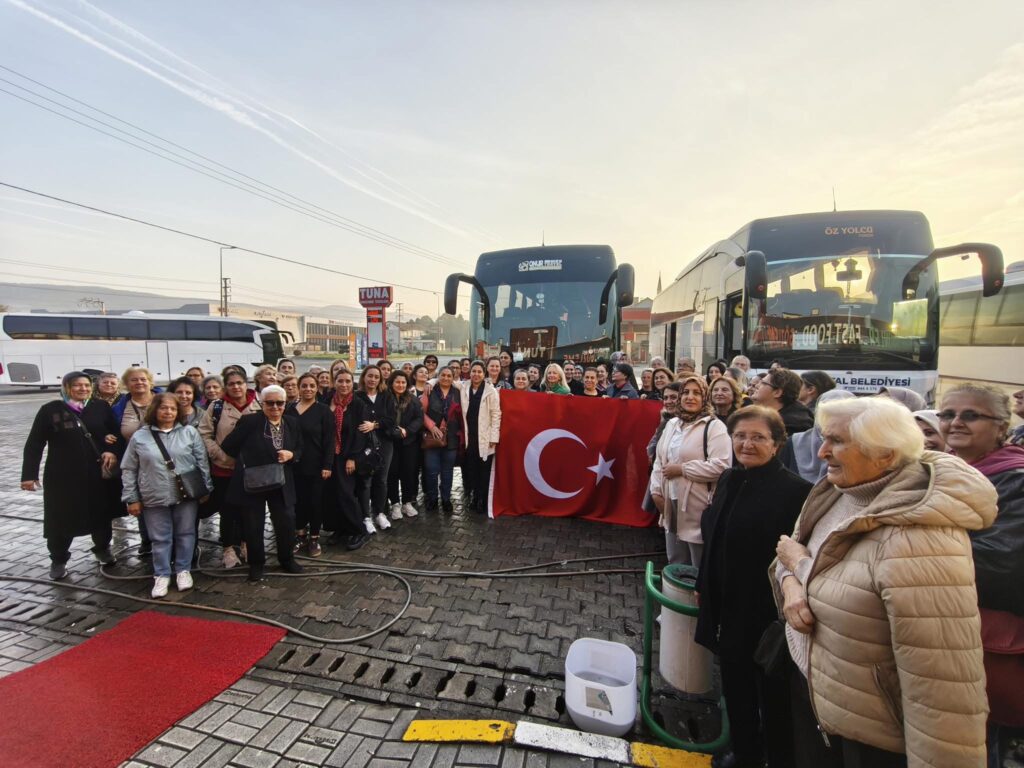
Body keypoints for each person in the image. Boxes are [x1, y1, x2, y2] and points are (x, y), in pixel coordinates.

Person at [774, 396, 994, 767]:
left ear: (886, 455)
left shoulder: (921, 539)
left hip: (871, 739)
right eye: (824, 438)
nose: (822, 451)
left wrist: (798, 565)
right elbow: (789, 553)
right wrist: (791, 582)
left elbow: (942, 692)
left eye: (838, 441)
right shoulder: (839, 491)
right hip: (822, 704)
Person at [696, 407, 812, 768]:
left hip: (766, 615)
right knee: (735, 686)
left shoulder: (798, 493)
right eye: (740, 436)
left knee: (774, 698)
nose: (747, 444)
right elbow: (714, 538)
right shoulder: (730, 478)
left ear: (777, 444)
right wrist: (703, 583)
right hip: (724, 607)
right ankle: (745, 754)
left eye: (758, 437)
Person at [937, 384, 1024, 756]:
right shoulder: (941, 470)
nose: (955, 422)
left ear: (1002, 427)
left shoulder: (1014, 478)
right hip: (950, 633)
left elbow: (1001, 561)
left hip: (990, 639)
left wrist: (918, 547)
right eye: (947, 414)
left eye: (971, 415)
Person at [21, 371, 121, 579]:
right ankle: (58, 559)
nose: (83, 389)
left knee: (101, 514)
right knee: (61, 517)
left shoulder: (100, 407)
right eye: (77, 385)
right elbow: (35, 443)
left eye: (86, 385)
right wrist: (29, 475)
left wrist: (112, 448)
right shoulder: (50, 410)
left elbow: (115, 433)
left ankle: (102, 549)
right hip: (62, 476)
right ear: (67, 387)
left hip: (96, 473)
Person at [121, 393, 212, 597]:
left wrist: (205, 488)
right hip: (153, 494)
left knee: (186, 533)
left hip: (186, 494)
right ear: (155, 410)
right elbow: (129, 468)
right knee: (160, 537)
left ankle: (183, 570)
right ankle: (161, 574)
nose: (168, 412)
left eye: (172, 408)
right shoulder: (140, 436)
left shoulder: (189, 432)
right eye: (164, 408)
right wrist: (132, 498)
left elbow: (202, 462)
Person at [220, 385, 304, 582]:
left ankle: (287, 559)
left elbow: (301, 448)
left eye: (280, 403)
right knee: (253, 523)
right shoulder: (251, 421)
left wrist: (292, 455)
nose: (275, 407)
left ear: (285, 404)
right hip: (254, 481)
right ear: (262, 403)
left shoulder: (291, 422)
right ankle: (257, 564)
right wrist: (250, 459)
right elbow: (229, 445)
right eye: (270, 403)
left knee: (286, 520)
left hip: (282, 480)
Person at [650, 375, 731, 565]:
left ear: (705, 397)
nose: (690, 397)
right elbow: (660, 461)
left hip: (698, 506)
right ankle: (676, 595)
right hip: (670, 501)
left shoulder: (714, 427)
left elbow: (721, 466)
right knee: (676, 560)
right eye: (685, 392)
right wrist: (656, 491)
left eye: (697, 393)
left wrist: (682, 470)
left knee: (698, 561)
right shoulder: (672, 424)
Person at [197, 368, 260, 569]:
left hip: (251, 469)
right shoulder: (216, 407)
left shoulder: (259, 404)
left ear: (246, 384)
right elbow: (204, 434)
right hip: (223, 469)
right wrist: (217, 453)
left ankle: (246, 543)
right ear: (226, 387)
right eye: (231, 384)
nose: (236, 387)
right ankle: (227, 548)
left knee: (248, 511)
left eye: (239, 383)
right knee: (228, 510)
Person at [112, 366, 160, 554]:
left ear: (150, 382)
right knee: (141, 499)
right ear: (126, 384)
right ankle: (147, 540)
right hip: (136, 461)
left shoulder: (164, 400)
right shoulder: (119, 408)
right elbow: (112, 430)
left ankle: (168, 540)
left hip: (164, 459)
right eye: (134, 380)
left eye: (143, 379)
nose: (139, 383)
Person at [288, 373, 335, 558]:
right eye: (304, 385)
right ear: (298, 387)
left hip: (316, 465)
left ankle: (314, 537)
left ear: (317, 388)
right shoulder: (289, 410)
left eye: (311, 386)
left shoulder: (323, 411)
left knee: (315, 502)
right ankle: (301, 535)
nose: (308, 389)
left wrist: (328, 464)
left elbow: (329, 440)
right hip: (294, 464)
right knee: (298, 501)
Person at [326, 370, 372, 548]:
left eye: (347, 381)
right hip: (330, 455)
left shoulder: (358, 404)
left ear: (352, 383)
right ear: (334, 382)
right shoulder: (327, 401)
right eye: (340, 381)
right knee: (332, 494)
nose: (344, 384)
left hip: (348, 456)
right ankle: (341, 528)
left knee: (347, 493)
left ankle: (358, 530)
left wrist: (353, 457)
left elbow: (360, 434)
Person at [354, 365, 397, 532]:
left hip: (384, 443)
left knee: (381, 479)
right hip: (364, 445)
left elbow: (391, 420)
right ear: (364, 377)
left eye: (376, 377)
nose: (373, 379)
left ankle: (379, 513)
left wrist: (375, 424)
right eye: (369, 376)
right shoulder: (357, 396)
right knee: (365, 481)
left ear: (381, 380)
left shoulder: (386, 396)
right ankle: (366, 516)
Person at [780, 389, 856, 483]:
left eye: (842, 413)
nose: (822, 453)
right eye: (826, 413)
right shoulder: (795, 442)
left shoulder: (860, 446)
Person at [456, 361, 501, 513]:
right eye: (473, 371)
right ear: (470, 373)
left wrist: (494, 437)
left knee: (484, 469)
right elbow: (446, 380)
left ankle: (482, 499)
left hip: (485, 437)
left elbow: (496, 415)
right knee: (472, 468)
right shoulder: (464, 386)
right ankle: (474, 497)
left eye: (479, 372)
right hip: (470, 436)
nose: (476, 374)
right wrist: (431, 381)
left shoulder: (491, 391)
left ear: (484, 373)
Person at [422, 366, 462, 512]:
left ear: (453, 377)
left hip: (451, 438)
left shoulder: (458, 391)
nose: (446, 378)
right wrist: (431, 426)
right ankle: (432, 498)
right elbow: (421, 412)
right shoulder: (430, 390)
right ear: (438, 376)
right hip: (432, 437)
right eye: (443, 375)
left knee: (447, 471)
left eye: (449, 375)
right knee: (432, 471)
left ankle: (446, 499)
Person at [386, 370, 424, 520]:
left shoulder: (413, 400)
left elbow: (419, 418)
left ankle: (407, 502)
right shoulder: (386, 399)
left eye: (403, 382)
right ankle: (395, 503)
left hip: (409, 442)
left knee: (408, 472)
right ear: (392, 383)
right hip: (390, 442)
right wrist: (395, 430)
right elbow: (383, 418)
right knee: (392, 473)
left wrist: (407, 431)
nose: (400, 385)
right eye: (397, 382)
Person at [751, 368, 814, 436]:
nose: (756, 385)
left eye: (763, 383)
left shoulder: (792, 426)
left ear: (777, 393)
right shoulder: (765, 416)